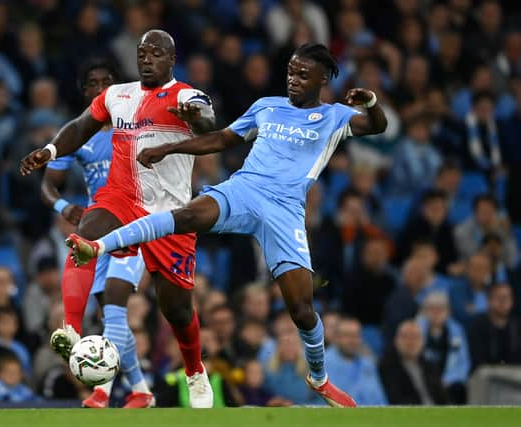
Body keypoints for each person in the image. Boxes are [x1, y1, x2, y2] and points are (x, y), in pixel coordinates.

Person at [62, 43, 388, 407]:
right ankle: (99, 245)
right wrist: (171, 148)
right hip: (243, 190)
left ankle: (319, 378)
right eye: (290, 73)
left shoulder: (335, 117)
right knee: (186, 216)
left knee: (302, 310)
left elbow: (377, 126)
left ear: (323, 79)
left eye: (302, 75)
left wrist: (371, 104)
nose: (293, 81)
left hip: (284, 211)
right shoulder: (266, 107)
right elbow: (220, 138)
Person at [19, 30, 216, 407]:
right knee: (84, 235)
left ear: (171, 60)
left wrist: (199, 117)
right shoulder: (117, 95)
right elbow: (79, 127)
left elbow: (209, 122)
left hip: (169, 213)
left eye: (156, 53)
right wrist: (50, 149)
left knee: (176, 308)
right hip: (120, 197)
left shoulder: (186, 96)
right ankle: (72, 331)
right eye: (142, 52)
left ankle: (194, 370)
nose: (147, 58)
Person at [40, 58, 152, 408]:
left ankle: (101, 389)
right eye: (93, 82)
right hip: (95, 233)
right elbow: (48, 185)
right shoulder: (77, 135)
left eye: (108, 80)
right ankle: (141, 390)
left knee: (116, 308)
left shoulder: (136, 127)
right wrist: (63, 208)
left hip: (134, 228)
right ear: (85, 91)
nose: (101, 87)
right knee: (110, 317)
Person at [379, 320, 447, 405]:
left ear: (422, 341)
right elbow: (395, 400)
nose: (411, 342)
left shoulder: (429, 365)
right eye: (406, 337)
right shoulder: (386, 367)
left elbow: (443, 398)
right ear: (396, 340)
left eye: (416, 337)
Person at [324, 317, 387, 405]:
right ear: (336, 338)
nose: (352, 340)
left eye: (356, 335)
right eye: (347, 335)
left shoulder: (368, 365)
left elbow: (381, 401)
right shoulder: (323, 363)